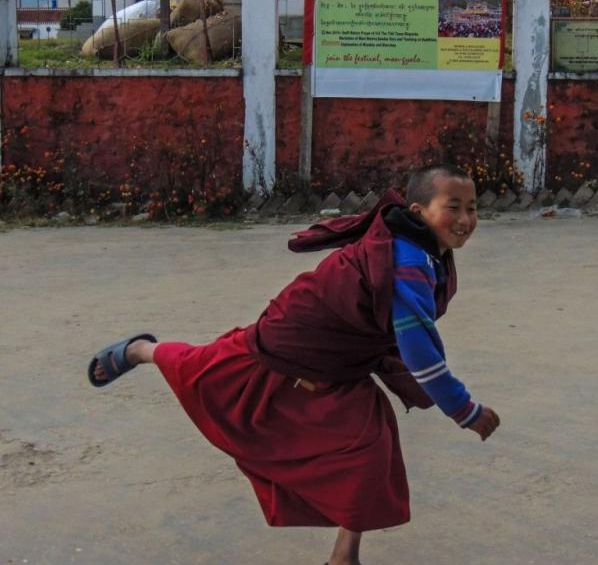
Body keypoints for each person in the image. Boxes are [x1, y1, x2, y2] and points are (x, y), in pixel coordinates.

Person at [88, 164, 501, 565]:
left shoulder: (427, 253)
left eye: (472, 207)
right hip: (287, 340)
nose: (466, 218)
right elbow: (420, 353)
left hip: (341, 361)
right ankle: (142, 350)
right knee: (202, 372)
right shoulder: (409, 263)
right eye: (453, 206)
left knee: (370, 449)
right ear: (418, 213)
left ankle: (344, 557)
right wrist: (465, 410)